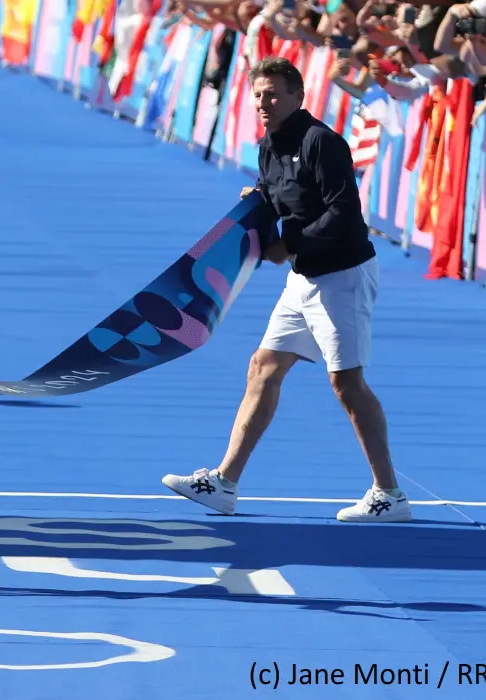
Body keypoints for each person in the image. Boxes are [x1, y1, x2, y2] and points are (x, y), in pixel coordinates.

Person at [162, 56, 409, 523]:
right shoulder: (268, 146)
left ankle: (389, 494)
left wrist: (287, 242)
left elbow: (343, 214)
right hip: (304, 277)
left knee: (347, 386)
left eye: (273, 94)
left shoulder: (323, 142)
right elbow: (273, 194)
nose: (264, 102)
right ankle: (224, 483)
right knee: (263, 366)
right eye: (258, 94)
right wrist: (255, 205)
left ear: (298, 96)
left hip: (343, 277)